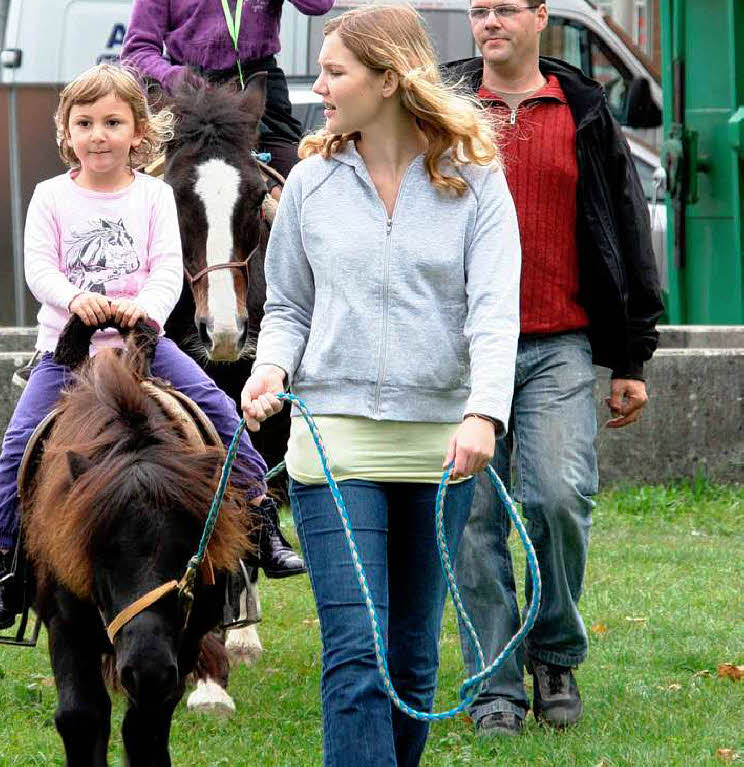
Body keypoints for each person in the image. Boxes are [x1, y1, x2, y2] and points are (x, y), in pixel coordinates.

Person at [240, 6, 521, 764]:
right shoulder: (309, 184)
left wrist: (483, 413)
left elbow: (494, 313)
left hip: (442, 449)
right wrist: (272, 367)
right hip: (335, 444)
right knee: (357, 657)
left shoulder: (478, 183)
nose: (319, 86)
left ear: (390, 79)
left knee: (410, 662)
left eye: (336, 72)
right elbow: (290, 306)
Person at [0, 64, 303, 633]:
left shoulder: (153, 195)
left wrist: (144, 310)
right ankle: (4, 563)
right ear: (67, 132)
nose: (98, 134)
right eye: (85, 122)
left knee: (222, 412)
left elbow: (167, 269)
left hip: (142, 341)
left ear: (139, 132)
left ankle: (262, 518)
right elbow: (39, 269)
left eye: (112, 122)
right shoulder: (50, 196)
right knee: (17, 444)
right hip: (70, 347)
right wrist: (77, 298)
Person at [445, 0, 664, 737]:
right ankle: (494, 685)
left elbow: (625, 229)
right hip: (463, 350)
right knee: (471, 518)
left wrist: (629, 354)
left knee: (559, 495)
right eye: (479, 11)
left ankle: (556, 653)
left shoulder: (583, 108)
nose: (490, 23)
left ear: (542, 17)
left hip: (558, 341)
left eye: (506, 9)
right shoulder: (443, 107)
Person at [120, 0, 334, 179]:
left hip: (257, 89)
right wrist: (173, 76)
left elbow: (319, 5)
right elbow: (137, 51)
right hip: (190, 95)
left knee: (298, 176)